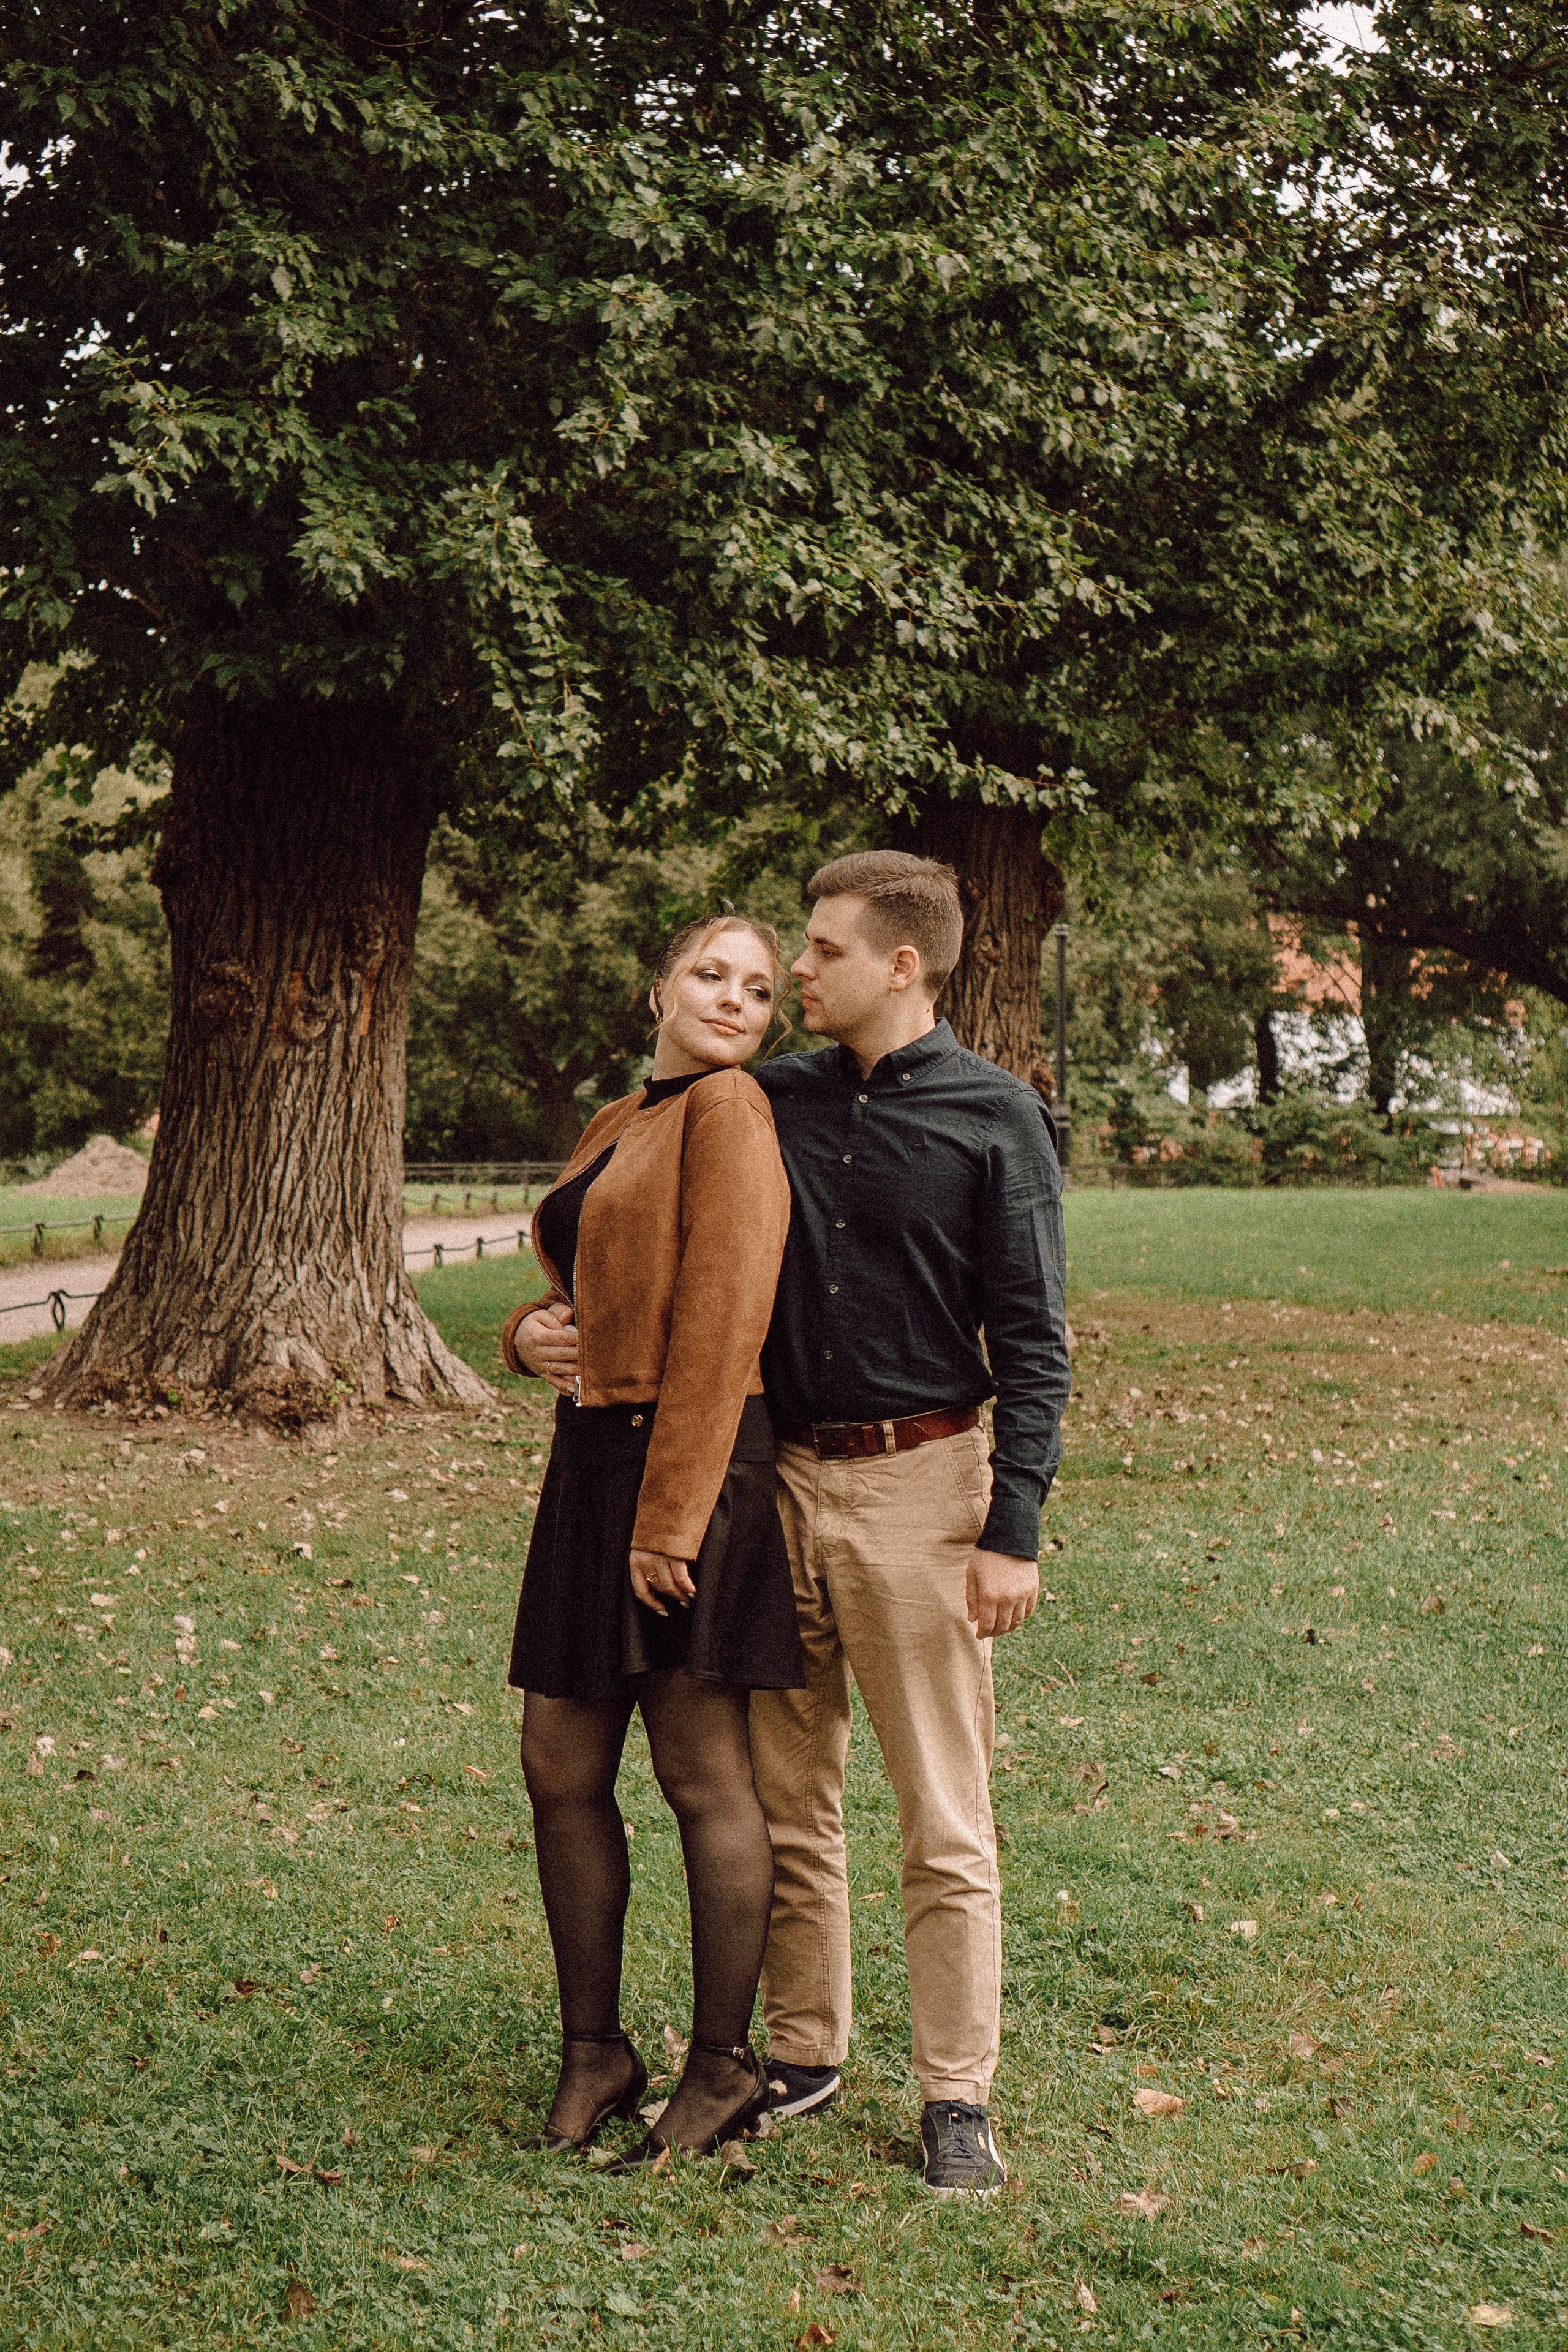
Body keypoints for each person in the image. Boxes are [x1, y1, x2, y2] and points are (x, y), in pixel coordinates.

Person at [747, 850, 1071, 2198]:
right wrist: (544, 1318)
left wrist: (1013, 1526)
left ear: (900, 963)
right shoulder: (758, 1102)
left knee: (942, 1815)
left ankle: (954, 2096)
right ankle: (803, 2053)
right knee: (785, 1802)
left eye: (820, 950)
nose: (795, 972)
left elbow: (1034, 1341)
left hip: (923, 1494)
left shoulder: (998, 1117)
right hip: (773, 1487)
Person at [500, 915, 803, 2165]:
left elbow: (730, 1314)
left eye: (760, 988)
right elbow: (591, 1277)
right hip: (589, 1463)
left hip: (689, 1461)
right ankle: (596, 2052)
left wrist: (670, 1517)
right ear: (660, 989)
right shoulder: (626, 1116)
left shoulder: (727, 1111)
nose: (735, 1000)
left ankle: (724, 2067)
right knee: (558, 1766)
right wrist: (526, 1334)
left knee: (699, 1778)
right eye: (710, 975)